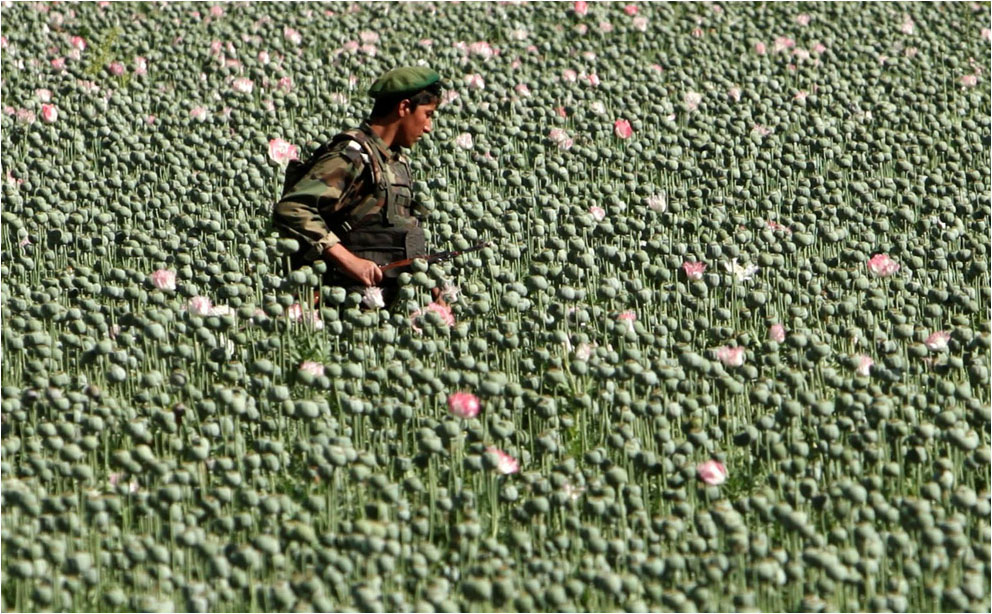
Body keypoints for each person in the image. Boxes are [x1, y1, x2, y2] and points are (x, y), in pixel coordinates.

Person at [273, 66, 443, 308]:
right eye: (428, 114)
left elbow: (399, 232)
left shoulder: (395, 161)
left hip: (383, 304)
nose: (428, 128)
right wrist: (348, 261)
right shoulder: (352, 156)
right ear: (404, 107)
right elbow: (292, 208)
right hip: (341, 303)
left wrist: (431, 288)